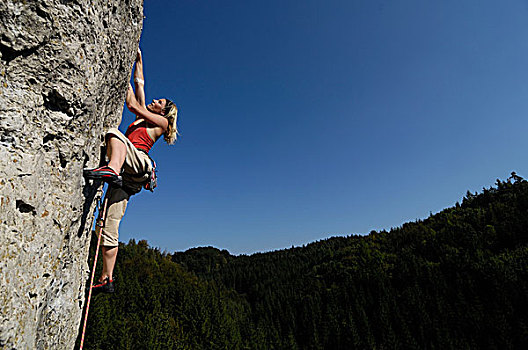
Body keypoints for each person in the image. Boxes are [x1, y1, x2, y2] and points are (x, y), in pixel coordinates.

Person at [83, 48, 179, 293]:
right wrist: (137, 59)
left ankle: (111, 169)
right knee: (106, 225)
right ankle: (107, 279)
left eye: (159, 102)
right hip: (127, 179)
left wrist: (121, 79)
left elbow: (134, 105)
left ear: (164, 111)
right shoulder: (145, 118)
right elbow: (140, 85)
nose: (154, 101)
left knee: (113, 134)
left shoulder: (162, 123)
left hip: (137, 164)